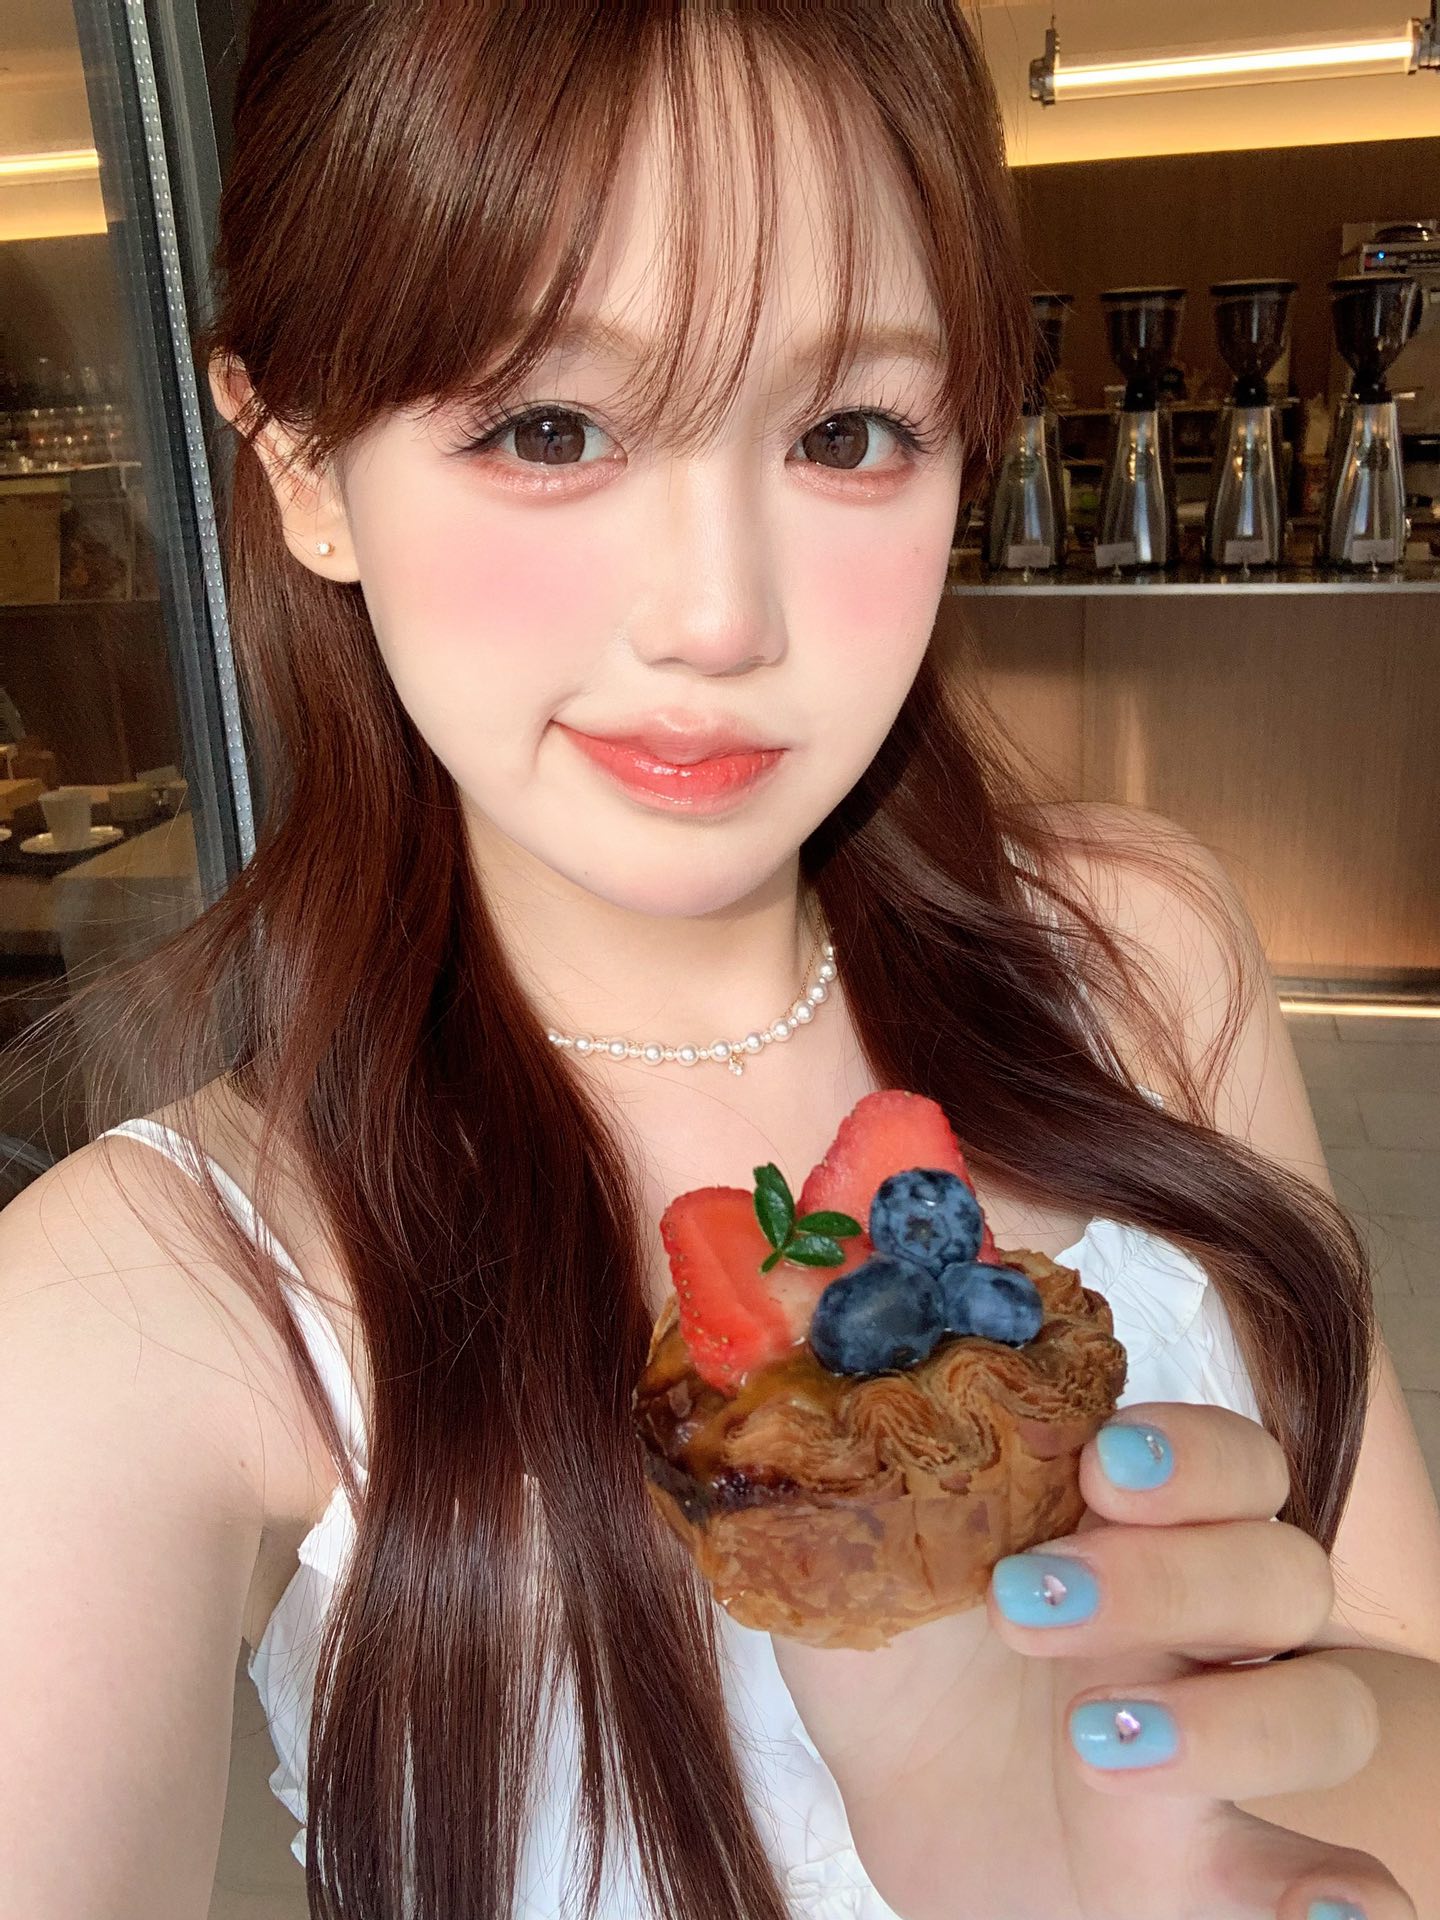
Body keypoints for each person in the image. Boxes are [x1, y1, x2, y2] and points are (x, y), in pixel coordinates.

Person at [0, 6, 1436, 1918]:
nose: (718, 617)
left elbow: (1399, 1684)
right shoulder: (131, 1300)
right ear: (305, 466)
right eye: (549, 428)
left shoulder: (1139, 952)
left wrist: (1134, 1822)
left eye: (849, 433)